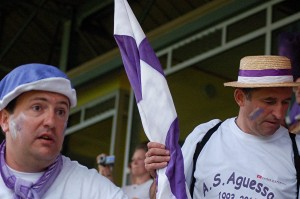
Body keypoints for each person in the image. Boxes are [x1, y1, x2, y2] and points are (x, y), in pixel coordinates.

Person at [145, 55, 300, 198]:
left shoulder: (296, 150)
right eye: (269, 102)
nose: (279, 114)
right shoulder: (205, 136)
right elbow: (166, 194)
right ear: (240, 98)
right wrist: (159, 177)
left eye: (286, 102)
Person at [0, 63, 128, 199]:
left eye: (60, 111)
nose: (51, 121)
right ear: (5, 120)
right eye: (37, 108)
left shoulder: (93, 189)